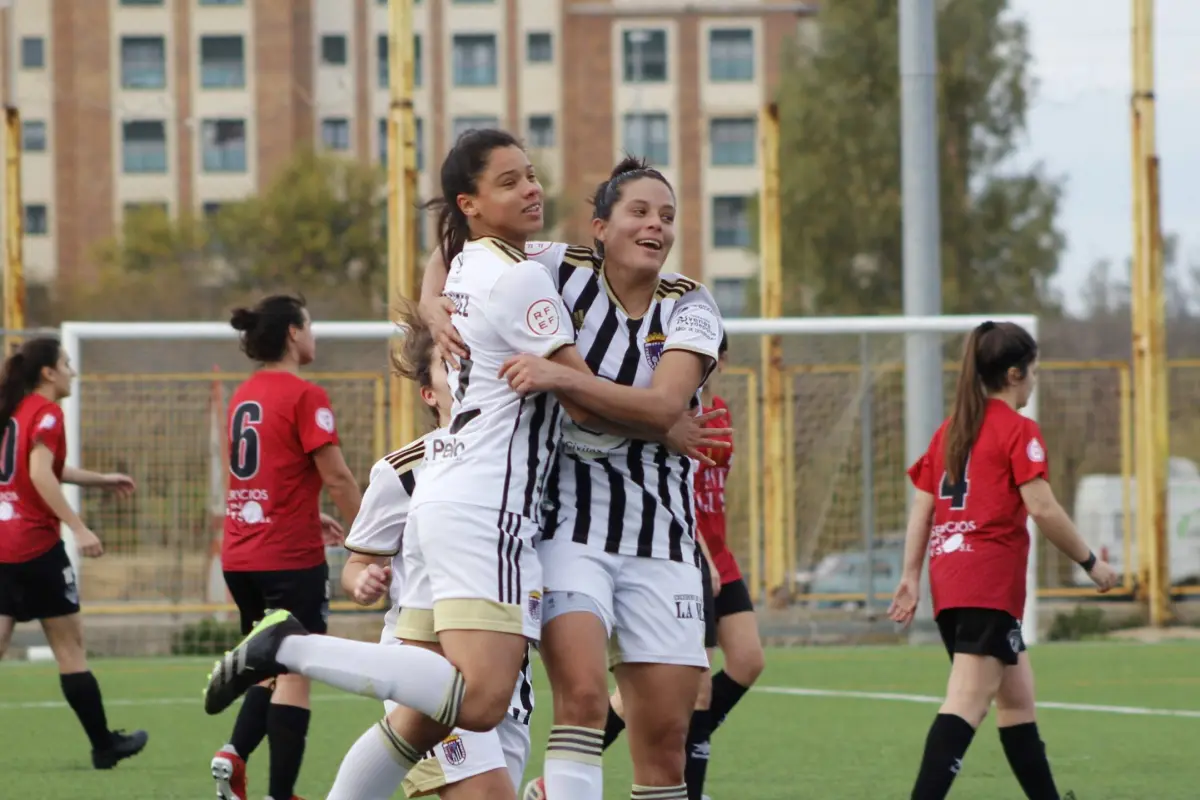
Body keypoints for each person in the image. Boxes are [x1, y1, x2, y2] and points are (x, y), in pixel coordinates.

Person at [201, 131, 724, 800]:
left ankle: (292, 655)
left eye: (668, 216)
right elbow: (592, 410)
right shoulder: (535, 273)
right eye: (511, 182)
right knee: (482, 701)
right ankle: (291, 648)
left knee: (423, 720)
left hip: (458, 499)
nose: (532, 189)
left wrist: (430, 308)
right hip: (494, 508)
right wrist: (644, 412)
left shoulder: (505, 265)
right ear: (599, 227)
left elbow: (451, 254)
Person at [428, 156, 727, 800]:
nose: (656, 226)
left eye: (667, 216)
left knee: (666, 738)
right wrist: (432, 307)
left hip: (663, 535)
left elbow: (665, 408)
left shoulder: (691, 303)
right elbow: (459, 250)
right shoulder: (552, 266)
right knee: (585, 700)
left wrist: (563, 377)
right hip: (568, 528)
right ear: (600, 226)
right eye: (639, 212)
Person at [888, 321, 1118, 800]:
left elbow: (923, 509)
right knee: (966, 702)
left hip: (951, 584)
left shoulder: (951, 432)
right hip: (987, 586)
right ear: (1014, 374)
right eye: (1033, 371)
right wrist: (1090, 562)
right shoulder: (1018, 430)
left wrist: (911, 577)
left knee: (1016, 702)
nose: (1035, 381)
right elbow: (1042, 507)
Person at [542, 332, 764, 800]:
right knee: (691, 688)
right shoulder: (655, 406)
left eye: (709, 358)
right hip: (681, 550)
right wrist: (701, 549)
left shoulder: (714, 412)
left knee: (746, 661)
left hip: (714, 554)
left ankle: (681, 742)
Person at [338, 305, 534, 800]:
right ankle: (295, 649)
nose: (463, 372)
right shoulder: (403, 471)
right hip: (428, 665)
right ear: (429, 394)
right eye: (448, 365)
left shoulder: (520, 459)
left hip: (504, 671)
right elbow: (358, 562)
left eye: (469, 359)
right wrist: (362, 580)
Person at [209, 294, 362, 800]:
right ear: (294, 334)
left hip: (242, 555)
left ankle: (233, 754)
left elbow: (263, 472)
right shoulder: (305, 395)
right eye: (310, 325)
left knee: (268, 663)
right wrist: (368, 539)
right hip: (286, 559)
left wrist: (302, 510)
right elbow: (337, 475)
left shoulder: (244, 394)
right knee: (297, 669)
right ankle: (280, 794)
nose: (314, 334)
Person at [0, 337, 148, 769]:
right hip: (35, 547)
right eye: (66, 363)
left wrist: (99, 480)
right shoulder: (47, 413)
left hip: (4, 542)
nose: (72, 370)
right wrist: (78, 527)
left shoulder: (15, 410)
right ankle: (104, 745)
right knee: (71, 649)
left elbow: (42, 467)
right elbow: (39, 474)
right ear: (48, 372)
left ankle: (104, 742)